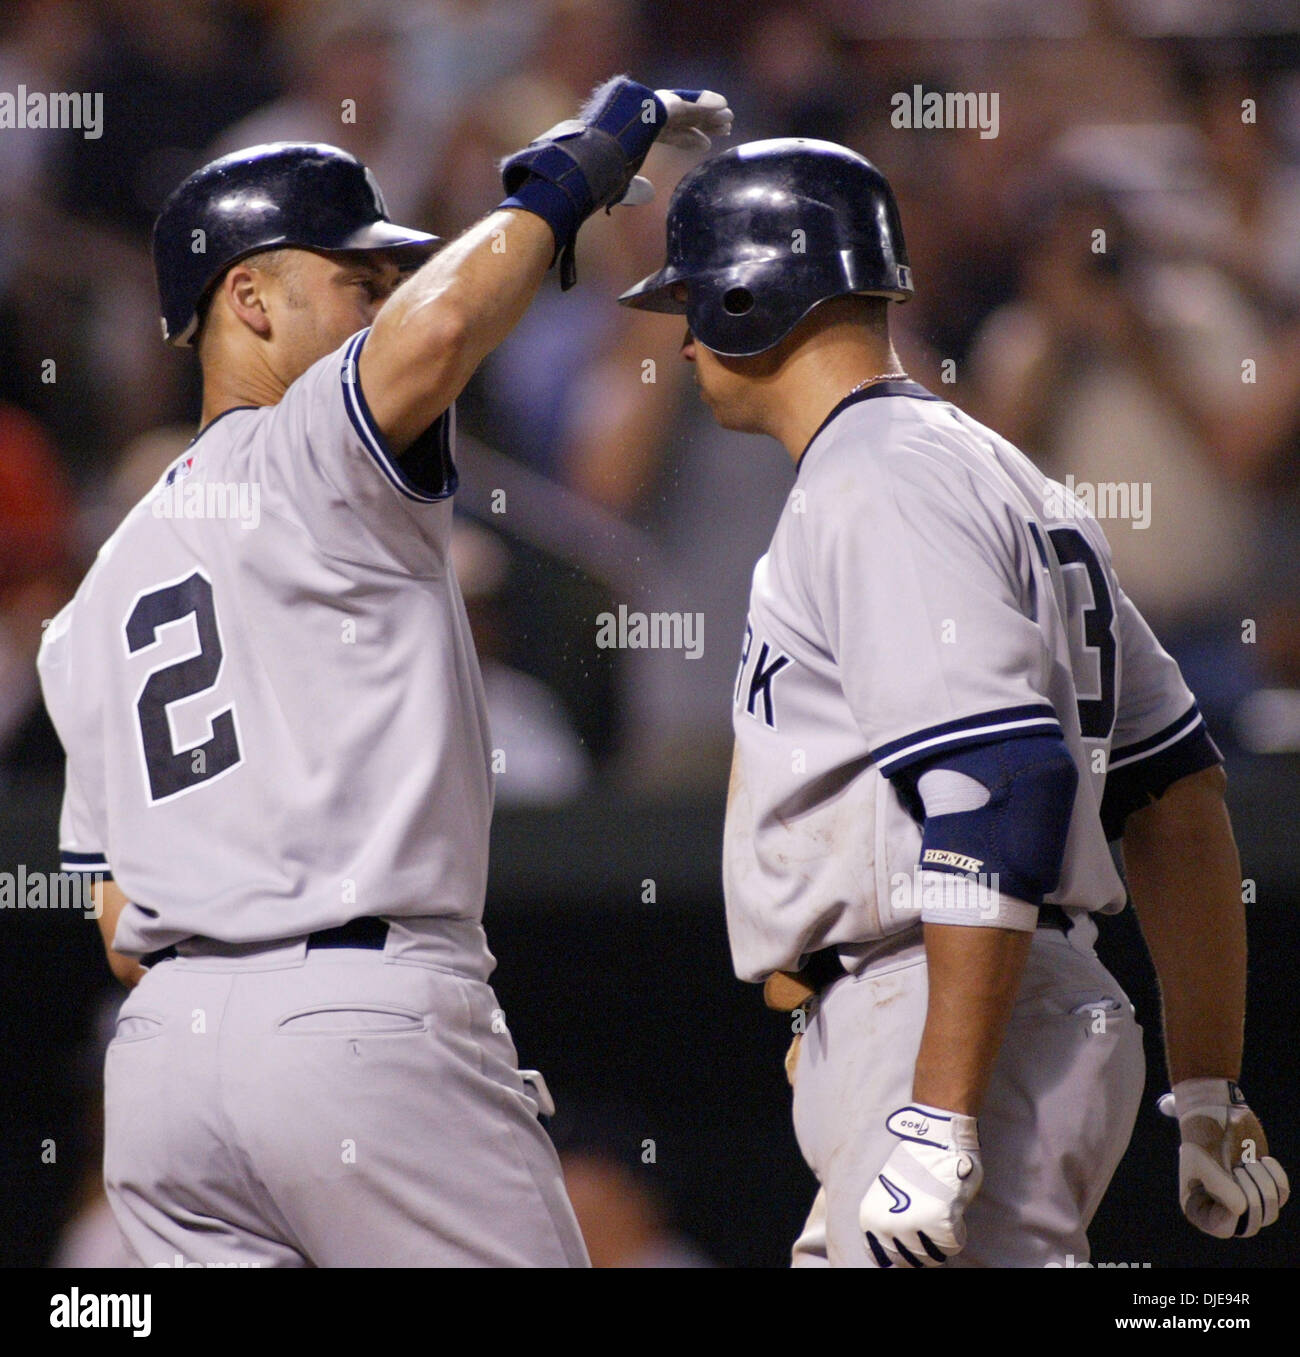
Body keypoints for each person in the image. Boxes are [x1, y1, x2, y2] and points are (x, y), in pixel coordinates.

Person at [37, 80, 731, 1267]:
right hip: (354, 1021)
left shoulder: (94, 595)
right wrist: (575, 171)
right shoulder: (310, 445)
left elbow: (114, 921)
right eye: (358, 281)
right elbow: (448, 332)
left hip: (161, 1065)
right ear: (246, 298)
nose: (389, 300)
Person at [619, 136, 1290, 1268]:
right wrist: (1206, 1087)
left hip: (944, 1017)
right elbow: (1173, 793)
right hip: (985, 1011)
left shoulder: (875, 480)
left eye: (691, 299)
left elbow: (1003, 784)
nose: (681, 339)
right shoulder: (996, 471)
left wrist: (932, 1115)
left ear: (749, 293)